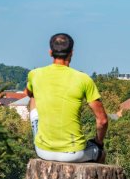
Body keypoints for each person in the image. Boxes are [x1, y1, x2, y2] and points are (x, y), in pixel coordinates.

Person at [25, 33, 108, 163]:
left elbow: (29, 93)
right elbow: (102, 121)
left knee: (34, 96)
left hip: (42, 150)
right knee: (100, 153)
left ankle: (40, 136)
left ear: (50, 52)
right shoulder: (84, 79)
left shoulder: (34, 74)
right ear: (72, 53)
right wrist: (98, 142)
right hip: (74, 153)